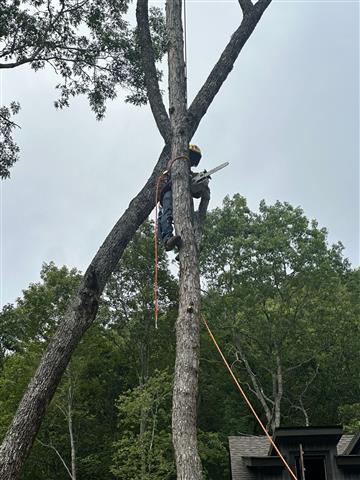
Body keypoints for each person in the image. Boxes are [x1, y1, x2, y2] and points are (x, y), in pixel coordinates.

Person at [158, 144, 209, 251]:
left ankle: (187, 247)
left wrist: (201, 177)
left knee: (189, 219)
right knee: (167, 213)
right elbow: (171, 168)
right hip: (169, 190)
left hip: (185, 197)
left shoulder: (190, 173)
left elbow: (197, 192)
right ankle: (167, 239)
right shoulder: (174, 163)